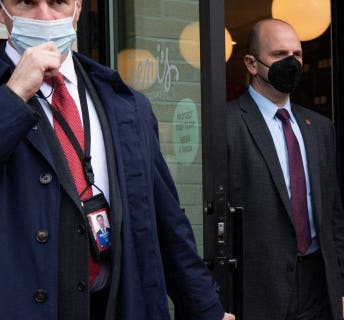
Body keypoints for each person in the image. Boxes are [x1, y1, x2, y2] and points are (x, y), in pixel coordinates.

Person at [0, 0, 234, 319]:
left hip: (117, 303)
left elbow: (166, 222)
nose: (45, 16)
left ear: (78, 8)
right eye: (26, 3)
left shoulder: (124, 102)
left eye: (58, 3)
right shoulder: (6, 95)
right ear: (3, 12)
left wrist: (207, 309)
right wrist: (14, 96)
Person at [226, 18, 344, 320]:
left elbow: (334, 216)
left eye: (296, 55)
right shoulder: (228, 123)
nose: (291, 63)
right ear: (251, 63)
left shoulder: (320, 128)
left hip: (318, 286)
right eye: (279, 55)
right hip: (258, 291)